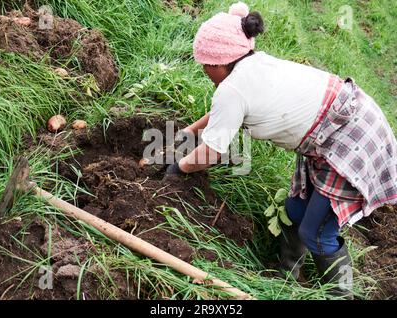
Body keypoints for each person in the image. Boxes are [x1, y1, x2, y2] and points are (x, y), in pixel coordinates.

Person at [166, 1, 397, 299]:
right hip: (346, 120)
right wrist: (190, 131)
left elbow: (212, 152)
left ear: (217, 62)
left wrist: (179, 167)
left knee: (316, 233)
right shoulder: (252, 64)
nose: (204, 71)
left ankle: (343, 294)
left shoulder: (232, 89)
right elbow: (228, 111)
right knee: (295, 210)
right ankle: (287, 278)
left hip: (349, 140)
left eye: (204, 64)